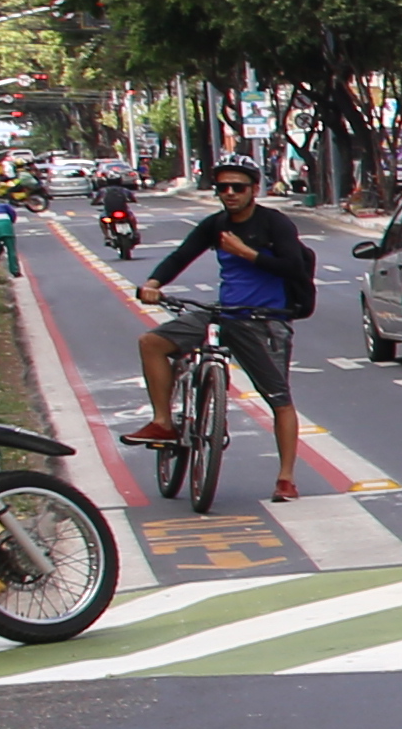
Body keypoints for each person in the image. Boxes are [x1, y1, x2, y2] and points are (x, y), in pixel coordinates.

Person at [129, 156, 319, 500]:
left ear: (254, 190)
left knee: (279, 399)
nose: (230, 194)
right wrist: (153, 283)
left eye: (238, 187)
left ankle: (286, 478)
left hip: (265, 319)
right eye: (223, 188)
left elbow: (293, 268)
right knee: (152, 342)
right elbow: (181, 255)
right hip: (222, 313)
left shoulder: (275, 224)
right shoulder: (215, 225)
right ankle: (164, 423)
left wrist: (245, 252)